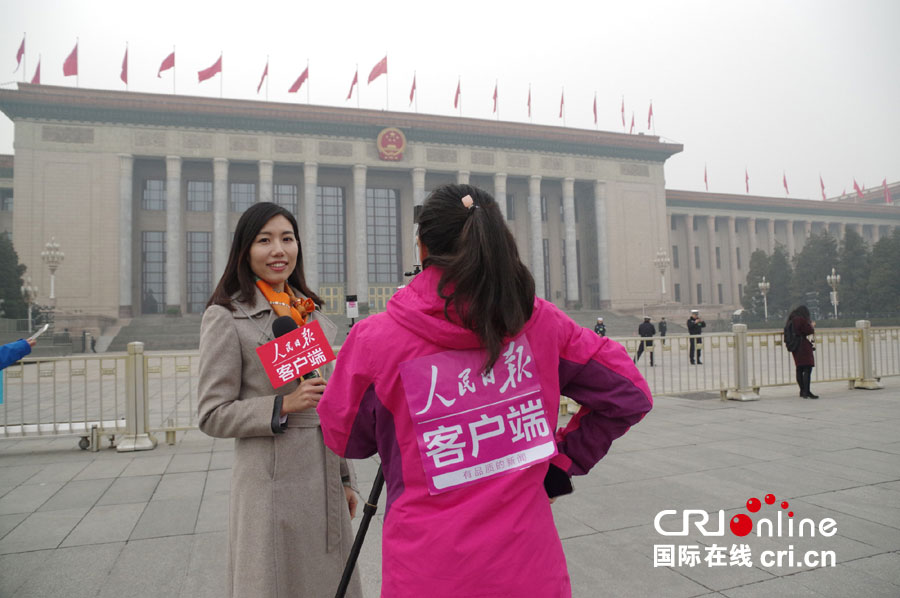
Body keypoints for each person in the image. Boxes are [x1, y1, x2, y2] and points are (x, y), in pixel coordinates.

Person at [317, 184, 652, 598]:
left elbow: (345, 437)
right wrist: (559, 464)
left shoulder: (375, 339)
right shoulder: (538, 321)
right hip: (530, 573)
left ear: (422, 248)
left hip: (425, 574)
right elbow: (629, 394)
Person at [197, 202, 361, 598]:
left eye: (287, 239)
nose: (278, 250)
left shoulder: (305, 313)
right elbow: (212, 413)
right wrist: (282, 405)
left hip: (322, 480)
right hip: (270, 485)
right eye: (264, 240)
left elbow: (323, 401)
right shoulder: (227, 317)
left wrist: (344, 478)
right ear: (244, 250)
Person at [787, 305, 818, 399]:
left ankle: (802, 391)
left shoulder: (790, 320)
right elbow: (808, 330)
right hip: (802, 346)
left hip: (794, 346)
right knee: (808, 368)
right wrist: (811, 326)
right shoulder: (800, 319)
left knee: (799, 368)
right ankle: (807, 391)